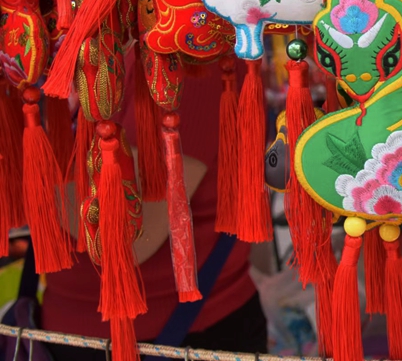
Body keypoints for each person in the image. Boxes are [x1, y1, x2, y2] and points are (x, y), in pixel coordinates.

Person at [40, 53, 268, 361]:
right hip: (73, 326)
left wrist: (26, 167)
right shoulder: (93, 48)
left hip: (173, 334)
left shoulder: (185, 53)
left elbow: (130, 232)